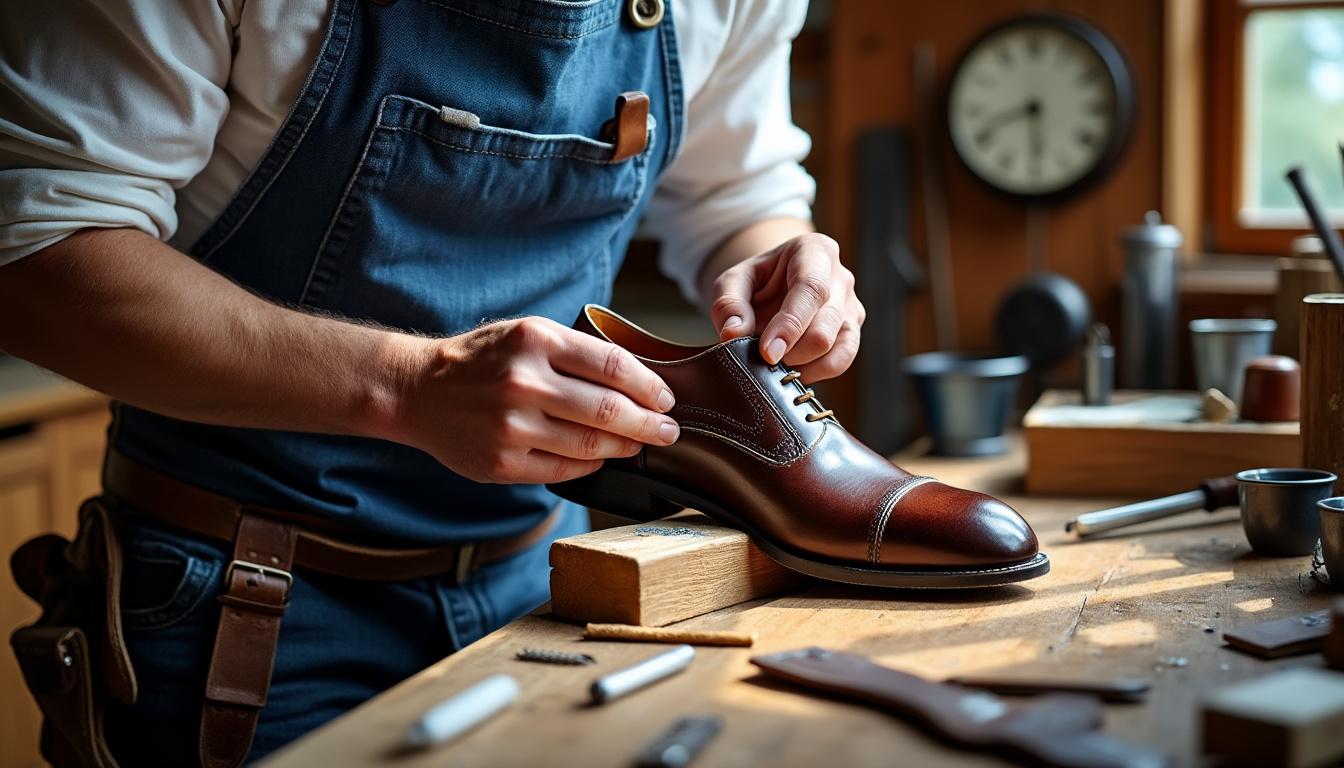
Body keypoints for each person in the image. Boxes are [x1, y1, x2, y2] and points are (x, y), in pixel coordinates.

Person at [0, 0, 863, 764]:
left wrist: (775, 254)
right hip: (242, 596)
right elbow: (39, 259)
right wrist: (407, 388)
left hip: (548, 573)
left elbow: (736, 190)